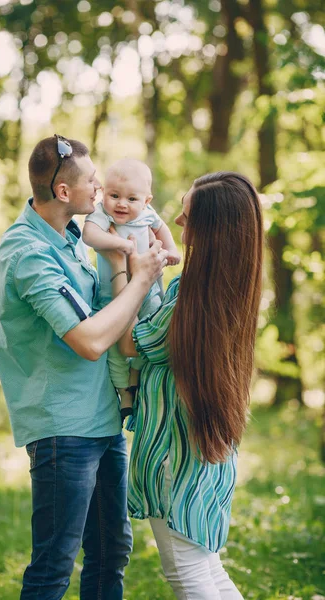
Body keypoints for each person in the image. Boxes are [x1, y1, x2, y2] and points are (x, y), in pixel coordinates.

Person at [0, 134, 168, 600]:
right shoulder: (28, 253)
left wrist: (121, 263)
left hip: (101, 420)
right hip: (62, 429)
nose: (101, 188)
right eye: (93, 180)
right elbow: (90, 340)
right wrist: (142, 274)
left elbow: (106, 313)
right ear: (65, 192)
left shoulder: (73, 237)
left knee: (111, 553)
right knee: (55, 564)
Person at [106, 172, 263, 600]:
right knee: (206, 569)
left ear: (212, 229)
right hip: (207, 451)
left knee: (188, 575)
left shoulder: (193, 300)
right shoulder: (229, 288)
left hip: (176, 456)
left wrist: (128, 272)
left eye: (188, 215)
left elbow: (128, 343)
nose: (175, 221)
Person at [82, 158, 181, 422]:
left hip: (149, 292)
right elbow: (89, 236)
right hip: (111, 297)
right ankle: (123, 389)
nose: (122, 204)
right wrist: (121, 245)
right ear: (104, 194)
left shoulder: (148, 215)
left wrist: (171, 251)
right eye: (114, 195)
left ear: (147, 201)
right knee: (114, 348)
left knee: (143, 339)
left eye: (131, 199)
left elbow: (163, 230)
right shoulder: (102, 214)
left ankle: (135, 378)